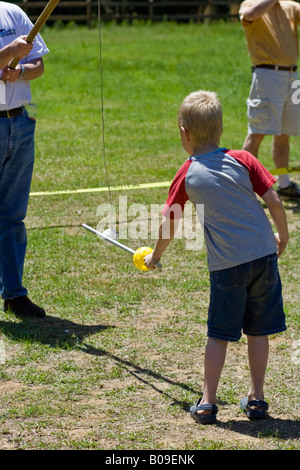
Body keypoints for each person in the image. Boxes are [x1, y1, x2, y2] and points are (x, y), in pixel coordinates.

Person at [144, 90, 289, 423]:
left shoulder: (188, 171)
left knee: (219, 333)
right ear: (221, 129)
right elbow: (275, 201)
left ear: (185, 133)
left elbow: (169, 221)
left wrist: (155, 255)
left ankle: (207, 402)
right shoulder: (243, 159)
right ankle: (257, 399)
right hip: (264, 255)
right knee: (259, 331)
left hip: (228, 267)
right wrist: (283, 235)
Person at [0, 2, 49, 317]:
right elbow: (12, 52)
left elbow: (39, 66)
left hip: (18, 122)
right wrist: (8, 51)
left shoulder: (12, 12)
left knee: (12, 214)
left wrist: (19, 70)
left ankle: (14, 293)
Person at [239, 0, 300, 200]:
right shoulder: (250, 3)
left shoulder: (290, 6)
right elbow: (249, 15)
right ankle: (242, 187)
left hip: (292, 76)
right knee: (257, 132)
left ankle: (284, 185)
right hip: (267, 74)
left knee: (284, 134)